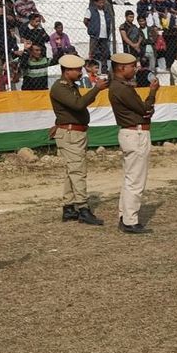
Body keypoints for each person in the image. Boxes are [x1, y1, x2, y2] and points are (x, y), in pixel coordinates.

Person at [49, 54, 108, 225]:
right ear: (67, 71)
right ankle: (82, 208)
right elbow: (78, 105)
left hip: (73, 133)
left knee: (71, 171)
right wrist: (96, 88)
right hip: (70, 134)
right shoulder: (60, 88)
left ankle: (69, 207)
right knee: (77, 171)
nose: (80, 72)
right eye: (76, 69)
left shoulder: (68, 86)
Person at [108, 52, 159, 234]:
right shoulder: (122, 88)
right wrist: (152, 93)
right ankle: (130, 220)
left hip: (131, 133)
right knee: (135, 180)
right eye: (132, 66)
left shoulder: (118, 86)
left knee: (130, 177)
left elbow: (143, 111)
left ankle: (125, 216)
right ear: (121, 68)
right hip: (136, 133)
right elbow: (144, 109)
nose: (135, 69)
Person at [84, 0, 113, 73]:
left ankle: (104, 70)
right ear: (95, 3)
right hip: (95, 35)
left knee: (104, 53)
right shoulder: (90, 10)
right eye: (100, 3)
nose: (102, 4)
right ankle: (91, 70)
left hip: (104, 36)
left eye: (103, 3)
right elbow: (86, 21)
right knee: (92, 53)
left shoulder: (105, 11)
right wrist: (92, 28)